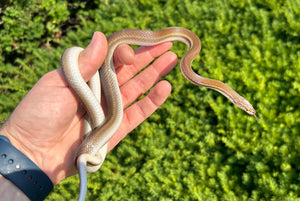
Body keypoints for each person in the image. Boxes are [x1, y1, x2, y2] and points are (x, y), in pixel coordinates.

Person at [0, 32, 178, 200]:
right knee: (84, 58)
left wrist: (23, 152)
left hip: (82, 150)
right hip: (83, 148)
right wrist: (24, 147)